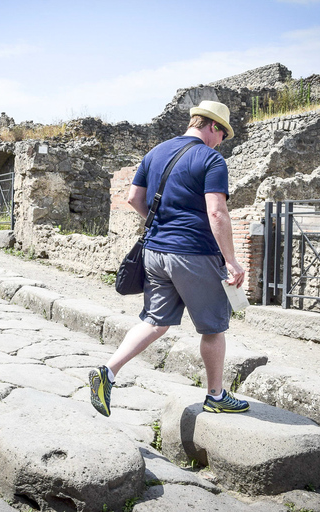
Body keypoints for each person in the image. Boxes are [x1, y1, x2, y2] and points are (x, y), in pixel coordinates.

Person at [89, 100, 249, 416]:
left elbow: (134, 198)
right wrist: (232, 261)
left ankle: (107, 372)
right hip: (193, 254)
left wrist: (163, 223)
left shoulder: (156, 152)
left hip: (154, 252)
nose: (221, 143)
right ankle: (215, 396)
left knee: (154, 321)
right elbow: (216, 211)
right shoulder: (211, 159)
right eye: (223, 135)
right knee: (213, 328)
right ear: (213, 127)